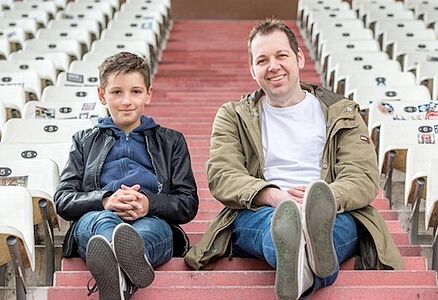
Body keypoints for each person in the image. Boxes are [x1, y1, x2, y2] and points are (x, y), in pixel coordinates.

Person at [184, 19, 403, 299]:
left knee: (326, 229)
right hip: (260, 211)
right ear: (253, 70)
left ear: (299, 58)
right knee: (277, 228)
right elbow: (223, 175)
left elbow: (361, 177)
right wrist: (273, 196)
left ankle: (299, 270)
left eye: (281, 55)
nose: (273, 66)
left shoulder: (342, 112)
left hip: (335, 212)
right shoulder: (233, 116)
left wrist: (323, 198)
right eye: (262, 60)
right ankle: (306, 257)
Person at [55, 52, 199, 300]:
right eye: (117, 92)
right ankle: (124, 268)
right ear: (102, 95)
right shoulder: (84, 141)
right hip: (97, 217)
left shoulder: (171, 141)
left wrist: (148, 203)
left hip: (152, 220)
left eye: (135, 92)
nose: (126, 101)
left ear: (148, 94)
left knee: (149, 233)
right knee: (102, 226)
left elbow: (187, 203)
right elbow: (64, 199)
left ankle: (118, 273)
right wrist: (105, 200)